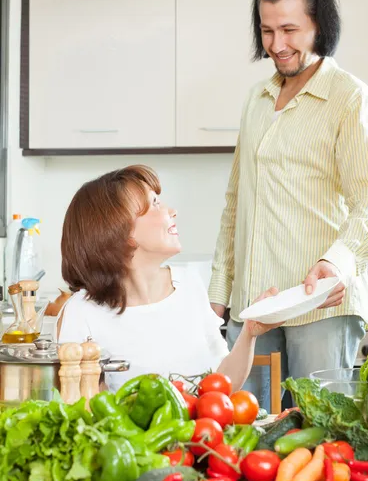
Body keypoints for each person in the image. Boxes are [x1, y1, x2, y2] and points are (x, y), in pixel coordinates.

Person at [209, 0, 368, 410]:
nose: (277, 45)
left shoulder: (351, 100)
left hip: (322, 306)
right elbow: (236, 203)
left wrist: (338, 264)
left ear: (320, 26)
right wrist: (219, 293)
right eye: (267, 30)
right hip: (253, 307)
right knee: (242, 433)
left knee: (316, 434)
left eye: (290, 30)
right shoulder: (256, 100)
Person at [57, 165, 281, 392]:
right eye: (154, 203)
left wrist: (249, 333)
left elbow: (223, 384)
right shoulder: (82, 312)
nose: (172, 211)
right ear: (120, 230)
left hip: (202, 428)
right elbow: (84, 410)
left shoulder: (189, 284)